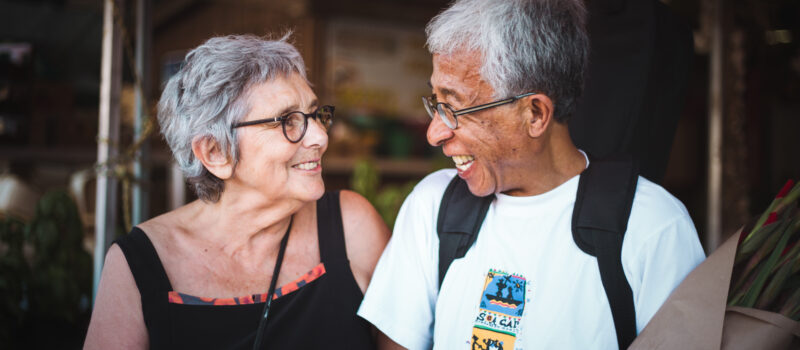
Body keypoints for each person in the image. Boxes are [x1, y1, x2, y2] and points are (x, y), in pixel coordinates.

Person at [358, 1, 706, 349]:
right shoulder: (433, 207)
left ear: (535, 114)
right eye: (436, 103)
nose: (434, 134)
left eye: (454, 107)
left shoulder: (652, 227)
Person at [84, 34, 390, 349]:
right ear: (215, 152)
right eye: (289, 121)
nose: (320, 137)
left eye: (315, 114)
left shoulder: (353, 228)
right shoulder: (138, 265)